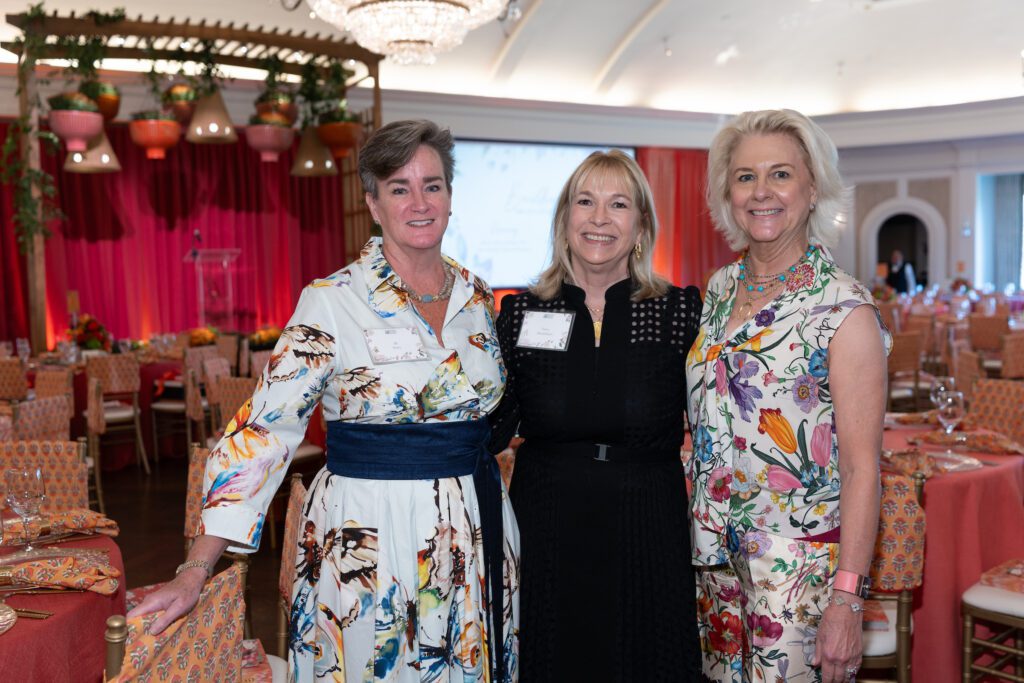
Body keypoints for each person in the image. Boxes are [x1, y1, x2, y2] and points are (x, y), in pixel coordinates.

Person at [130, 120, 520, 683]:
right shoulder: (332, 300)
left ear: (450, 197)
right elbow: (267, 428)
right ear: (373, 204)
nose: (419, 202)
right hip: (370, 535)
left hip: (474, 529)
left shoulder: (478, 297)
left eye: (432, 185)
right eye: (399, 188)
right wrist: (196, 568)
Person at [686, 109, 890, 683]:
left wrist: (847, 601)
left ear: (813, 186)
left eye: (780, 174)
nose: (761, 192)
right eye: (745, 176)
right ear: (727, 193)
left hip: (800, 570)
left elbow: (862, 469)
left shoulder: (844, 309)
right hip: (712, 561)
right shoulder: (720, 290)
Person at [489, 150, 703, 681]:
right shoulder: (520, 313)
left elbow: (716, 425)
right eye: (585, 202)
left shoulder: (679, 312)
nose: (600, 218)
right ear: (565, 218)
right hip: (547, 526)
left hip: (647, 525)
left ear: (641, 226)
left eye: (618, 205)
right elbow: (490, 426)